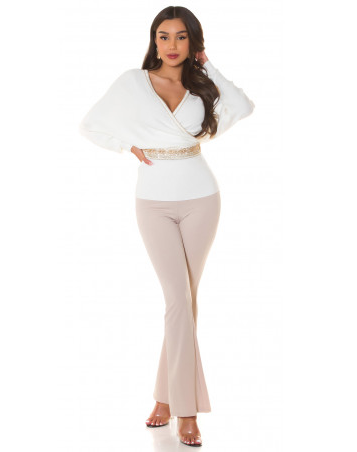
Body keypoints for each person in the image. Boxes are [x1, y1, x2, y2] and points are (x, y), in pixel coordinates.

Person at [79, 6, 255, 447]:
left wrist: (208, 64)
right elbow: (91, 126)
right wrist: (126, 146)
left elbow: (242, 106)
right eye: (163, 36)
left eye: (180, 37)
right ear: (153, 40)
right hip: (153, 203)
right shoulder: (133, 82)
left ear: (193, 42)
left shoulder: (201, 85)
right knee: (179, 302)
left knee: (184, 305)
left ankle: (164, 399)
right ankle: (186, 411)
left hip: (202, 199)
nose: (171, 45)